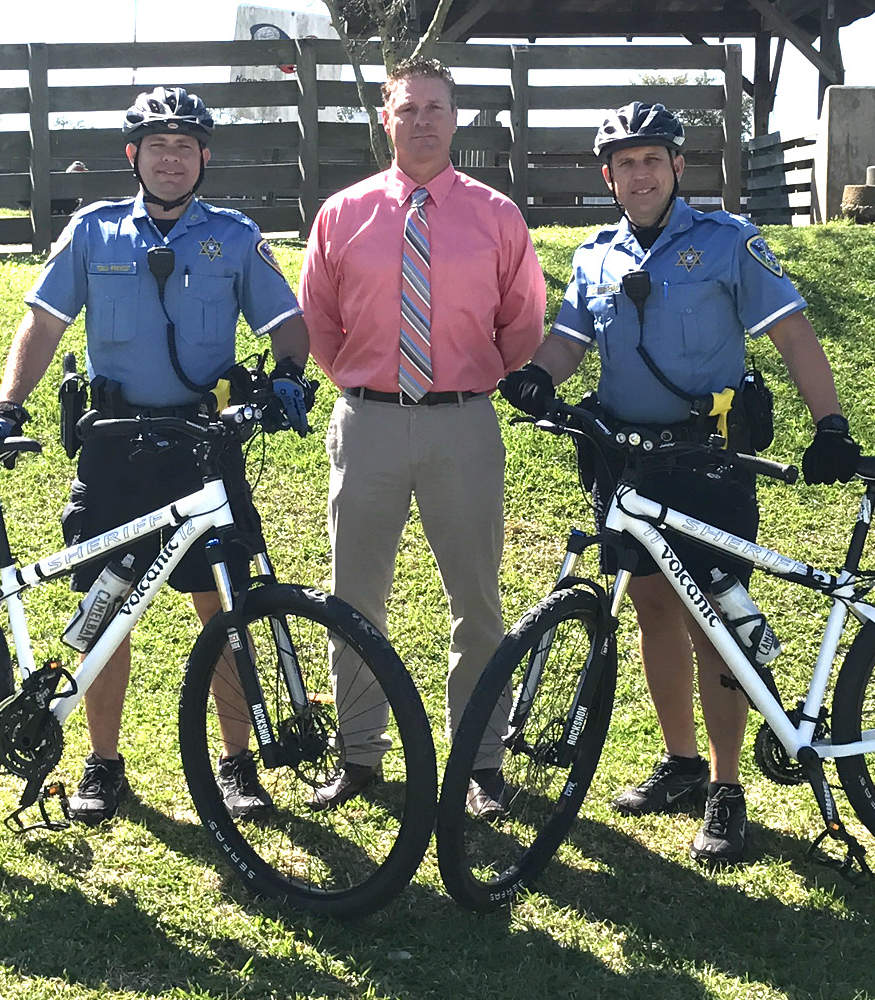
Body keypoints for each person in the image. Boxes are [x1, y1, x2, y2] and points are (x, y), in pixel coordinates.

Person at [498, 102, 860, 864]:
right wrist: (536, 376)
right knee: (653, 609)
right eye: (624, 163)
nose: (639, 173)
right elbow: (568, 340)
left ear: (677, 168)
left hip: (708, 466)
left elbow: (792, 333)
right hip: (626, 466)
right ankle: (682, 764)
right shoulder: (596, 255)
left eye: (652, 159)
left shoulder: (728, 242)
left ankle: (728, 788)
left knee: (714, 623)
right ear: (609, 176)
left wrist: (830, 425)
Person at [0, 87, 313, 826]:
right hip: (114, 449)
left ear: (205, 156)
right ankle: (104, 764)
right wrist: (5, 406)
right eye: (158, 145)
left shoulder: (235, 237)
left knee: (224, 610)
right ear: (134, 156)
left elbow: (287, 322)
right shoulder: (93, 234)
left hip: (203, 449)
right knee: (105, 613)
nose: (173, 157)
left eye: (186, 145)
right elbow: (43, 326)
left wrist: (285, 379)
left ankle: (237, 763)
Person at [298, 57, 545, 818]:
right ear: (385, 118)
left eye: (437, 108)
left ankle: (479, 762)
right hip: (367, 422)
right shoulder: (342, 214)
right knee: (353, 599)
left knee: (476, 602)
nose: (424, 121)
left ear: (457, 117)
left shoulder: (497, 215)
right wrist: (369, 385)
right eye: (408, 109)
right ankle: (361, 754)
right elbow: (318, 323)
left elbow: (524, 322)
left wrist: (466, 384)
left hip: (464, 425)